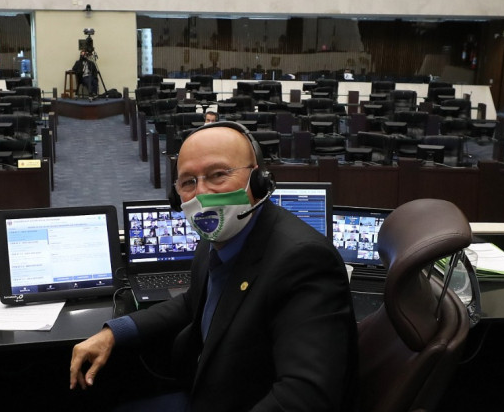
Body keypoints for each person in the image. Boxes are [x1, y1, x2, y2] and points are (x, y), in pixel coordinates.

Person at [69, 122, 357, 412]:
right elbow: (192, 302)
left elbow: (305, 396)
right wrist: (116, 332)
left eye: (218, 175)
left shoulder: (303, 261)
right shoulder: (216, 237)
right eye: (188, 182)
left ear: (257, 180)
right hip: (204, 390)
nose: (201, 195)